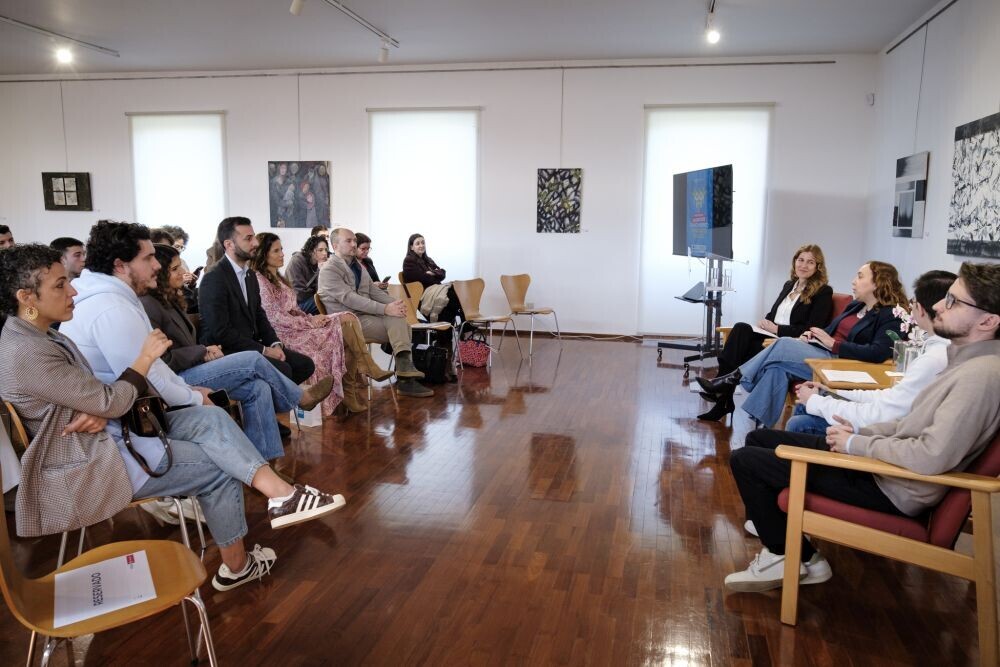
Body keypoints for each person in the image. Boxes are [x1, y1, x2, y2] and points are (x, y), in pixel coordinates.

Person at [0, 244, 347, 592]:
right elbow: (109, 399)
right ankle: (238, 567)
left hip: (113, 430)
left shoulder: (41, 334)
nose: (73, 291)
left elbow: (95, 395)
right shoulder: (27, 350)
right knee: (221, 467)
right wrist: (142, 361)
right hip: (93, 460)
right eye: (61, 285)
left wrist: (98, 405)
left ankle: (282, 495)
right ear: (26, 297)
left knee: (210, 418)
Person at [724, 262, 1000, 593]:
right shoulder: (966, 362)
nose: (939, 305)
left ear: (988, 321)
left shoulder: (978, 377)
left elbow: (930, 455)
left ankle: (785, 555)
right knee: (760, 438)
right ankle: (798, 553)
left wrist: (856, 444)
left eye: (953, 301)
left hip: (890, 484)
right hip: (884, 466)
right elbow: (910, 423)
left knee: (746, 461)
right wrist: (859, 435)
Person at [143, 243, 334, 459]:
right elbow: (162, 360)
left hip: (195, 365)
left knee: (259, 387)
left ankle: (265, 460)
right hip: (176, 378)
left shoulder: (169, 300)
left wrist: (203, 351)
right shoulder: (150, 306)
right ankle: (300, 398)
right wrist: (201, 351)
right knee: (253, 359)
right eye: (175, 269)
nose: (182, 272)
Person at [699, 261, 907, 426]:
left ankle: (733, 378)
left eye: (860, 276)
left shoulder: (891, 315)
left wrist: (833, 344)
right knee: (777, 368)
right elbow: (830, 331)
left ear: (878, 283)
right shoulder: (856, 306)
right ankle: (760, 426)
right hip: (823, 352)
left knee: (782, 344)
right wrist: (813, 335)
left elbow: (878, 352)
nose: (853, 281)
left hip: (840, 362)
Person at [786, 270, 955, 435]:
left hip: (884, 432)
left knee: (800, 421)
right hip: (885, 415)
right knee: (807, 402)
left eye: (913, 302)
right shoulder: (937, 348)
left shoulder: (932, 359)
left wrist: (819, 402)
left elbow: (882, 414)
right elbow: (893, 397)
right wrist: (833, 392)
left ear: (921, 309)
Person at [252, 233, 394, 416]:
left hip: (298, 324)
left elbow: (294, 310)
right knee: (343, 337)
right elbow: (275, 318)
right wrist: (309, 320)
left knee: (348, 318)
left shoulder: (278, 278)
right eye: (276, 251)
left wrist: (310, 317)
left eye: (281, 249)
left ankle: (359, 376)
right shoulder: (260, 281)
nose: (282, 254)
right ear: (263, 254)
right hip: (286, 333)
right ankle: (357, 379)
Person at [697, 245, 833, 420]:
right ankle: (723, 391)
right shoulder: (789, 285)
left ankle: (722, 395)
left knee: (740, 349)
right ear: (794, 262)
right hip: (772, 337)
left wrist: (777, 329)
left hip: (790, 346)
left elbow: (813, 328)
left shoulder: (823, 291)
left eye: (810, 262)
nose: (804, 265)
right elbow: (773, 315)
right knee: (741, 328)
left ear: (818, 267)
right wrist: (765, 323)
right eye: (801, 260)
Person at [317, 228, 433, 398]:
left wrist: (395, 304)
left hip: (363, 317)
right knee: (401, 327)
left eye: (354, 240)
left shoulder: (357, 266)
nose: (354, 244)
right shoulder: (329, 269)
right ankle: (405, 379)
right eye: (348, 241)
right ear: (335, 245)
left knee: (399, 319)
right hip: (346, 322)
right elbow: (350, 299)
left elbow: (373, 291)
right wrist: (385, 309)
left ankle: (405, 373)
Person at [198, 217, 315, 385]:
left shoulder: (249, 275)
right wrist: (263, 350)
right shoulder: (214, 278)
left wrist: (274, 343)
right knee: (284, 369)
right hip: (225, 350)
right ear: (229, 244)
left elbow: (259, 314)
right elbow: (220, 332)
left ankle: (285, 397)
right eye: (248, 238)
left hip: (249, 345)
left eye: (253, 237)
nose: (255, 243)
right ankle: (296, 396)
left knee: (304, 365)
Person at [285, 235, 329, 314]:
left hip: (310, 299)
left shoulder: (320, 263)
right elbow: (299, 294)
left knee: (331, 297)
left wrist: (322, 271)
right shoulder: (297, 261)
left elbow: (322, 290)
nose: (325, 253)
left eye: (326, 250)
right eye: (320, 250)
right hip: (294, 305)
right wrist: (319, 271)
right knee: (326, 300)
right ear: (311, 251)